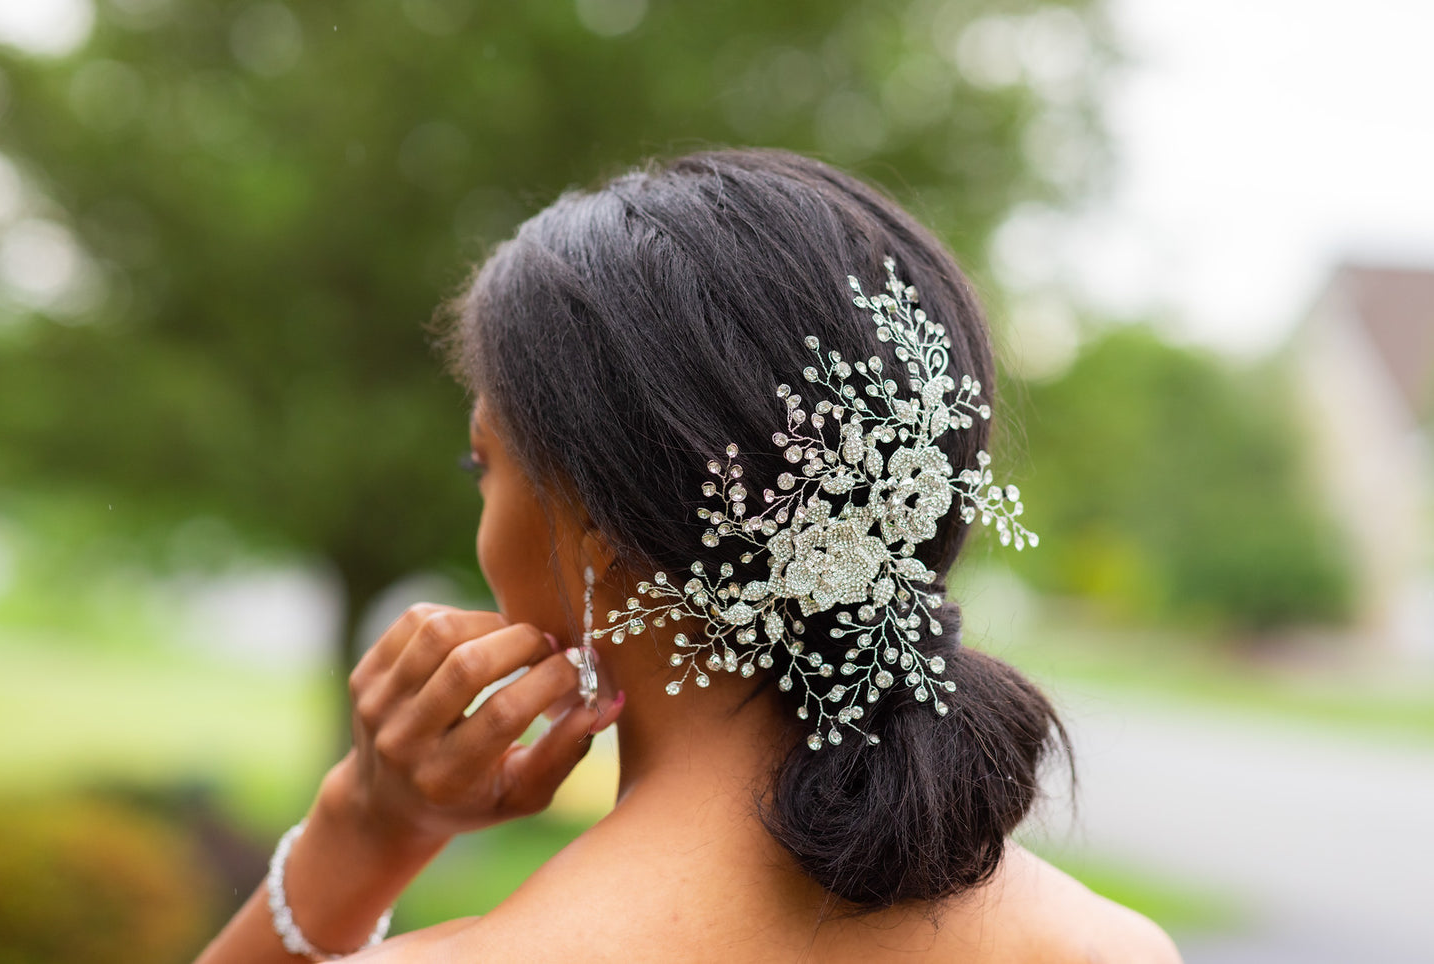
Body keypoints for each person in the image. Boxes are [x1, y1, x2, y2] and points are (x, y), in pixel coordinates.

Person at [196, 148, 1180, 962]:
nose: (478, 511)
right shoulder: (1108, 947)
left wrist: (360, 831)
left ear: (592, 513)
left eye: (481, 463)